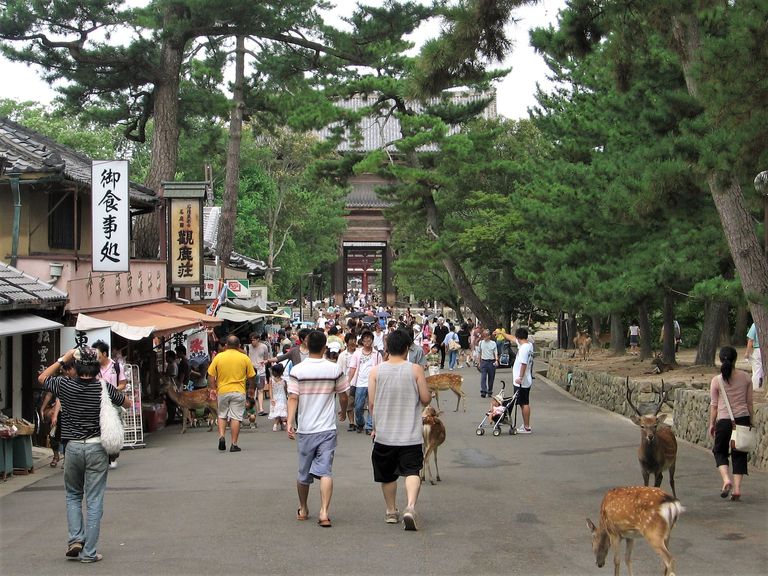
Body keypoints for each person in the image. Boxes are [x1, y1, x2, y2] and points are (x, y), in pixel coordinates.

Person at [38, 347, 131, 563]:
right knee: (94, 498)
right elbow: (126, 403)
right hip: (97, 447)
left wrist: (64, 358)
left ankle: (75, 540)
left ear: (76, 368)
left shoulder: (64, 385)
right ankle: (89, 553)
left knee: (72, 494)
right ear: (97, 368)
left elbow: (42, 377)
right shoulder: (104, 387)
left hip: (72, 448)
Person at [368, 329, 431, 531]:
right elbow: (426, 399)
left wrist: (375, 426)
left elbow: (371, 403)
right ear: (406, 349)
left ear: (387, 348)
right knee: (412, 471)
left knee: (387, 475)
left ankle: (391, 511)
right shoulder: (415, 370)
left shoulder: (376, 371)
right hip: (410, 434)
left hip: (384, 434)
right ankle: (410, 507)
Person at [287, 330, 349, 527]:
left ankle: (303, 508)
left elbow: (293, 398)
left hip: (306, 429)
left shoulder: (297, 370)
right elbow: (343, 395)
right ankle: (324, 512)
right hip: (327, 428)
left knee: (303, 472)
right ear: (324, 347)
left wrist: (289, 422)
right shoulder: (334, 369)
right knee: (325, 472)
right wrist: (344, 411)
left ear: (306, 345)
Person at [709, 346, 754, 501]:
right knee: (739, 453)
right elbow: (749, 403)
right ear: (735, 359)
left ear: (721, 360)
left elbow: (714, 406)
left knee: (719, 451)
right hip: (742, 419)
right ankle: (737, 489)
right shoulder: (746, 377)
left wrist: (711, 424)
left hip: (723, 420)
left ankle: (726, 480)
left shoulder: (716, 380)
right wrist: (751, 421)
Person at [207, 335, 256, 452]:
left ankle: (222, 436)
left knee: (222, 415)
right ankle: (234, 444)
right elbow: (252, 376)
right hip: (238, 391)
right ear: (239, 346)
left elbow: (211, 375)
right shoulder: (244, 358)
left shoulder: (219, 357)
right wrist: (251, 389)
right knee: (235, 417)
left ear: (226, 345)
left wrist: (213, 388)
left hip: (223, 391)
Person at [92, 340, 126, 468]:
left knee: (115, 427)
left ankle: (113, 455)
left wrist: (114, 389)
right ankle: (104, 456)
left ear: (105, 354)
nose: (96, 358)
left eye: (98, 355)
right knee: (101, 427)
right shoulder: (93, 368)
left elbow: (123, 383)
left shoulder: (117, 367)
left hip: (114, 401)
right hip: (99, 401)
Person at [347, 330, 383, 434]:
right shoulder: (357, 353)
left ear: (372, 340)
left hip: (373, 383)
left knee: (372, 405)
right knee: (358, 406)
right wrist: (349, 382)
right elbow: (352, 368)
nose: (367, 341)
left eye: (369, 339)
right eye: (365, 339)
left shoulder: (377, 354)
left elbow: (380, 368)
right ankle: (360, 423)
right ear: (362, 341)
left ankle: (369, 426)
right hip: (360, 383)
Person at [501, 327, 534, 433]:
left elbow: (524, 364)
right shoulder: (528, 344)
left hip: (522, 381)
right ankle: (526, 425)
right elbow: (512, 338)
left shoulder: (524, 348)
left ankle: (526, 427)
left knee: (524, 403)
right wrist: (502, 333)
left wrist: (520, 377)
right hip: (525, 379)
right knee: (522, 402)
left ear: (519, 337)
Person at [337, 332, 358, 431]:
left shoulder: (359, 352)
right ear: (347, 342)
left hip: (359, 380)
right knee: (350, 402)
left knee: (358, 403)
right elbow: (339, 369)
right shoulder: (342, 355)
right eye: (351, 340)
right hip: (347, 381)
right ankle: (351, 422)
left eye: (354, 339)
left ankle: (358, 420)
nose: (353, 342)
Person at [248, 332, 270, 416]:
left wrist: (264, 362)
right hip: (251, 372)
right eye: (251, 340)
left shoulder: (264, 347)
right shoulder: (248, 347)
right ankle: (252, 409)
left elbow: (266, 358)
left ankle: (261, 409)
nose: (252, 342)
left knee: (260, 390)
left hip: (261, 371)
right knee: (252, 391)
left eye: (253, 340)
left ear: (258, 339)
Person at [478, 329, 499, 398]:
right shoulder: (481, 343)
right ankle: (483, 391)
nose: (484, 337)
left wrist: (496, 360)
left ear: (489, 336)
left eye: (486, 336)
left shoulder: (493, 343)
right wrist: (479, 362)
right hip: (484, 361)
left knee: (491, 378)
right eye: (483, 336)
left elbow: (495, 352)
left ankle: (490, 391)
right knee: (483, 377)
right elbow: (479, 353)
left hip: (491, 362)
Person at [268, 362, 288, 432]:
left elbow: (270, 390)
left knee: (277, 412)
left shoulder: (271, 380)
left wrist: (271, 398)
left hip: (275, 398)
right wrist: (287, 397)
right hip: (282, 398)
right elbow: (286, 391)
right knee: (281, 412)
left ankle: (276, 425)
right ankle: (284, 424)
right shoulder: (284, 381)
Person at [745, 322, 763, 391]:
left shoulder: (756, 324)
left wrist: (747, 352)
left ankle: (755, 388)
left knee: (756, 371)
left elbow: (751, 340)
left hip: (758, 349)